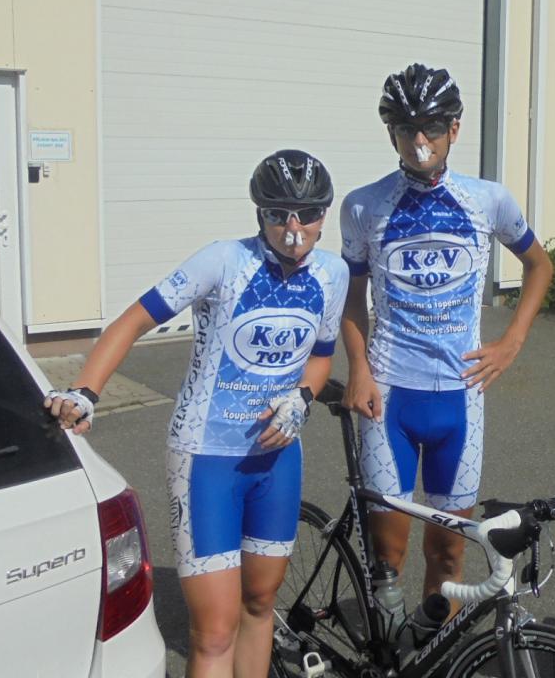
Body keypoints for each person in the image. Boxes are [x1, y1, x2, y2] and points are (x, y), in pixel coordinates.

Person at [44, 150, 347, 678]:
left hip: (277, 458)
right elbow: (133, 321)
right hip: (207, 456)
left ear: (324, 214)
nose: (293, 228)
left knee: (260, 605)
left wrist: (302, 398)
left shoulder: (333, 273)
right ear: (260, 214)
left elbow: (321, 356)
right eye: (278, 214)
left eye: (307, 214)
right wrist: (87, 390)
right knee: (214, 629)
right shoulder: (222, 261)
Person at [339, 62, 554, 604]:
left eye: (432, 127)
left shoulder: (488, 199)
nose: (420, 141)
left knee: (449, 556)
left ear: (454, 129)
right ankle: (389, 645)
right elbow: (352, 297)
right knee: (387, 558)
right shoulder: (364, 205)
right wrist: (358, 369)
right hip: (389, 396)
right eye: (406, 128)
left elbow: (539, 266)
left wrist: (511, 343)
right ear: (390, 133)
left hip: (461, 396)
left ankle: (436, 647)